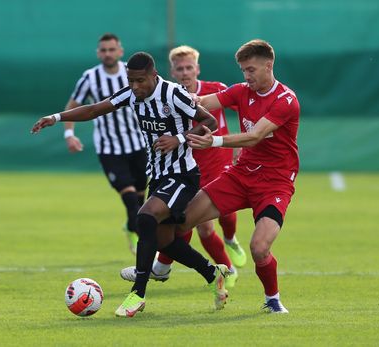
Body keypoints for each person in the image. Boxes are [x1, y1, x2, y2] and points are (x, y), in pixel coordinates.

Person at [31, 52, 231, 318]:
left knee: (145, 218)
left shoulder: (174, 94)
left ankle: (138, 293)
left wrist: (179, 138)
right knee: (165, 241)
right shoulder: (130, 94)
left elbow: (210, 121)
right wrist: (56, 118)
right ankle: (211, 273)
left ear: (153, 76)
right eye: (131, 81)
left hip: (182, 175)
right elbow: (93, 109)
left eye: (140, 81)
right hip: (158, 176)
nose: (135, 86)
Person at [179, 39, 300, 313]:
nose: (246, 76)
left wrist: (215, 142)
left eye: (251, 70)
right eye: (243, 71)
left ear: (268, 66)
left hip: (275, 182)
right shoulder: (241, 91)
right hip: (241, 175)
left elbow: (255, 136)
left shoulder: (286, 100)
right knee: (182, 220)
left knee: (258, 248)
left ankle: (272, 299)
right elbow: (203, 103)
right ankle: (166, 270)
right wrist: (176, 100)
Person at [120, 45, 246, 288]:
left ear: (197, 69)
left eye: (190, 67)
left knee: (226, 217)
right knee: (198, 226)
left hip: (218, 161)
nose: (186, 72)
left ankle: (230, 240)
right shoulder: (168, 94)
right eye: (180, 68)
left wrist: (241, 142)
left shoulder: (214, 90)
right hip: (189, 164)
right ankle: (225, 272)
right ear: (172, 72)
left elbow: (243, 108)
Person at [63, 33, 148, 255]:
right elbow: (73, 105)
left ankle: (131, 227)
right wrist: (69, 134)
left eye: (112, 49)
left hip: (139, 144)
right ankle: (145, 248)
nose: (107, 54)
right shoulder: (90, 77)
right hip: (109, 149)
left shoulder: (133, 73)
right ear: (98, 53)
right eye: (103, 50)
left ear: (120, 51)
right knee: (130, 199)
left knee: (141, 199)